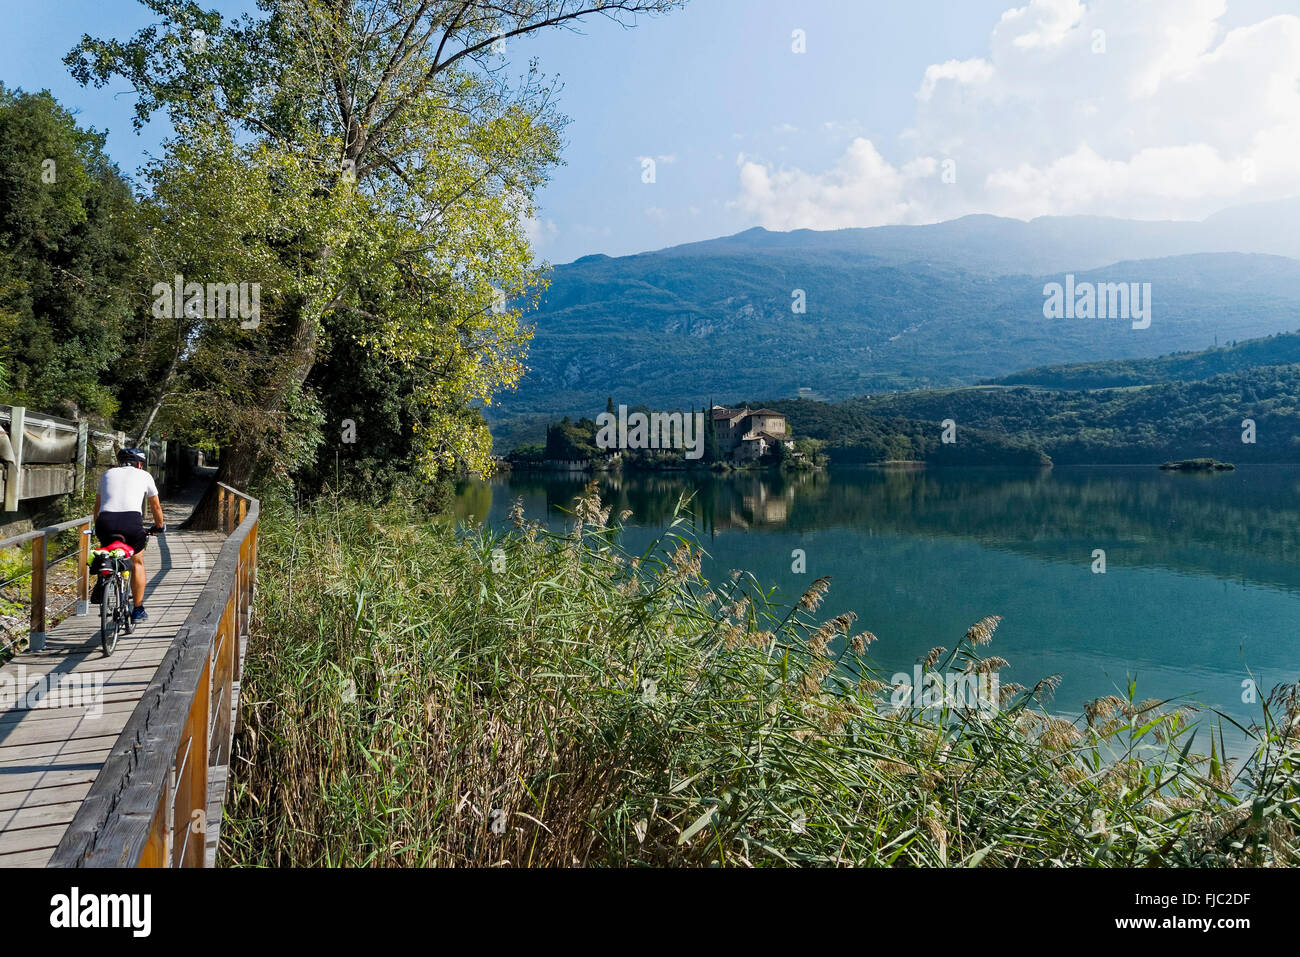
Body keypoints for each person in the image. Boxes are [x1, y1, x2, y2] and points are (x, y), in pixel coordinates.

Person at [94, 447, 166, 621]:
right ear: (140, 463)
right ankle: (138, 609)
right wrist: (159, 526)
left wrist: (98, 527)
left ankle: (104, 577)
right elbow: (155, 506)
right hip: (131, 522)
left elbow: (97, 507)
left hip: (105, 522)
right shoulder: (144, 475)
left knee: (108, 552)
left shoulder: (106, 474)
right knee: (137, 563)